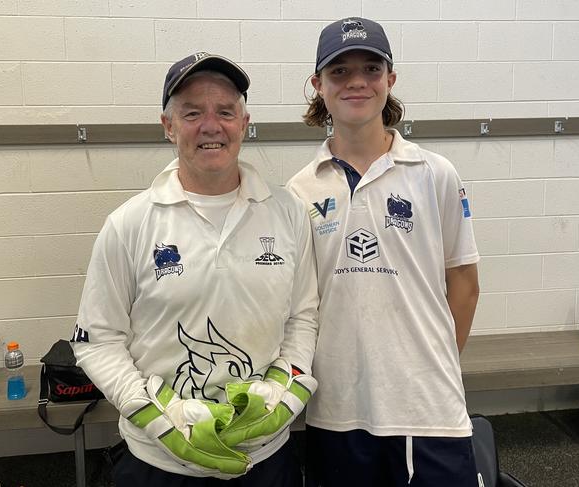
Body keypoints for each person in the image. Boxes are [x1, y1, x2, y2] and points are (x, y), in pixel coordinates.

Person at [71, 52, 318, 487]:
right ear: (168, 126)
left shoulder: (288, 213)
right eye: (192, 113)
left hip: (265, 459)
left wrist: (286, 388)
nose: (211, 125)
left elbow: (303, 316)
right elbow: (97, 340)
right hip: (158, 463)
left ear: (244, 123)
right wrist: (155, 414)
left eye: (225, 111)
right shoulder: (129, 223)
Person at [287, 17, 481, 487]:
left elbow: (465, 285)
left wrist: (429, 364)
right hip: (337, 408)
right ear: (318, 85)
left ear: (390, 79)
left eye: (371, 69)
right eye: (339, 71)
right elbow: (302, 305)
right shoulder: (299, 189)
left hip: (427, 407)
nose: (357, 81)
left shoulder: (435, 173)